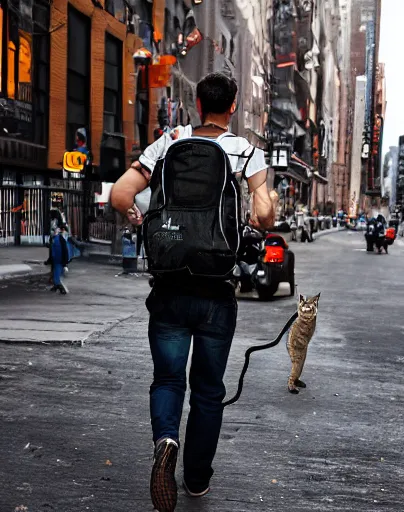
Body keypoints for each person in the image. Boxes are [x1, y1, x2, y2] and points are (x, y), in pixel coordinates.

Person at [110, 73, 278, 512]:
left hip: (168, 287)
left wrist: (135, 215)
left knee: (168, 378)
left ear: (197, 103)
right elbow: (263, 218)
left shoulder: (170, 142)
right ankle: (197, 479)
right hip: (215, 291)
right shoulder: (246, 152)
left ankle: (166, 439)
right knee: (208, 390)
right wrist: (260, 203)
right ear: (234, 105)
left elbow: (122, 192)